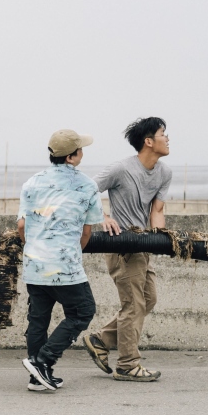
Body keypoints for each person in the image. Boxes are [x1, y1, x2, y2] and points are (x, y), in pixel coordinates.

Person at [83, 117, 172, 382]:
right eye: (163, 134)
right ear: (148, 141)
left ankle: (101, 339)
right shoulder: (121, 169)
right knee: (133, 304)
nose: (168, 139)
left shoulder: (164, 172)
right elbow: (86, 190)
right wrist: (103, 217)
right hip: (121, 245)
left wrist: (159, 240)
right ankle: (127, 364)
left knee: (149, 299)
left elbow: (157, 210)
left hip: (143, 245)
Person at [18, 130, 104, 392]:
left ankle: (37, 378)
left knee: (38, 320)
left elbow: (22, 225)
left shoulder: (31, 183)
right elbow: (87, 232)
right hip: (64, 265)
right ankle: (44, 361)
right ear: (71, 157)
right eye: (80, 149)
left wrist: (34, 249)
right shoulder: (88, 186)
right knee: (83, 311)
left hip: (34, 263)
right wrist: (69, 254)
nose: (82, 153)